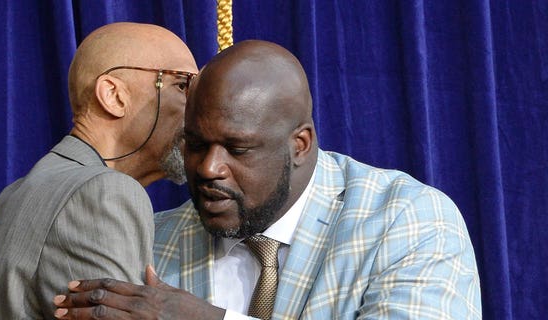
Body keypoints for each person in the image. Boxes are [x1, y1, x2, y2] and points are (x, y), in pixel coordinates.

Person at [53, 40, 482, 319]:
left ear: (300, 145)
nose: (208, 169)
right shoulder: (151, 240)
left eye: (237, 150)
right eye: (196, 144)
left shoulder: (408, 220)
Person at [0, 22, 198, 319]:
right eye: (182, 85)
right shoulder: (102, 192)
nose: (197, 108)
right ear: (114, 96)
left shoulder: (20, 190)